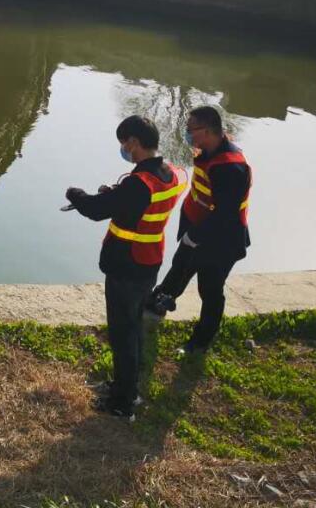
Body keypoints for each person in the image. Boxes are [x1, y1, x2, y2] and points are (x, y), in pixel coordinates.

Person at [65, 116, 187, 418]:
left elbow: (95, 211)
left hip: (127, 264)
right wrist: (116, 197)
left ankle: (122, 400)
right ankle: (128, 384)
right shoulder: (171, 174)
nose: (123, 149)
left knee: (123, 332)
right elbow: (136, 205)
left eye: (124, 144)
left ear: (133, 142)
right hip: (150, 260)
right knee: (134, 325)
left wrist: (76, 195)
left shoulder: (139, 183)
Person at [146, 106, 251, 355]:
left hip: (221, 240)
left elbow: (225, 214)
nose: (187, 133)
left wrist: (197, 236)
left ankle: (200, 343)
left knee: (210, 289)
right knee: (180, 265)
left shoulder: (231, 168)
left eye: (191, 129)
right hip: (197, 227)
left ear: (207, 131)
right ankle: (157, 302)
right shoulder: (210, 150)